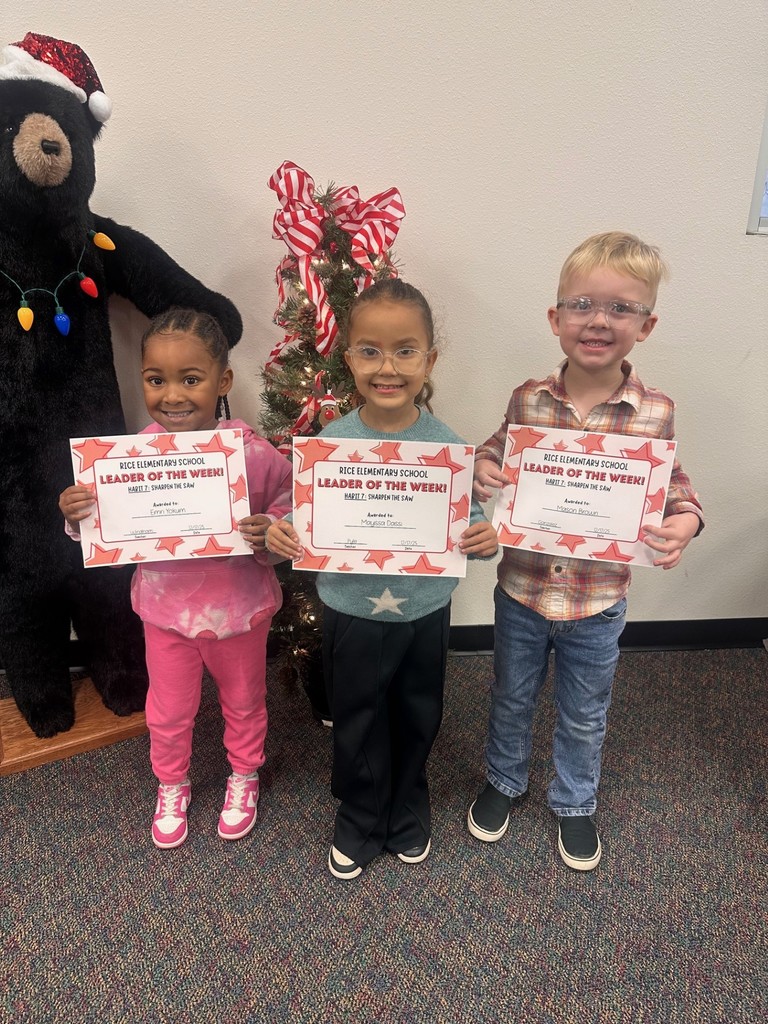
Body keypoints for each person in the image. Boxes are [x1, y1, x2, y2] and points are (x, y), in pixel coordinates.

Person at [467, 232, 704, 871]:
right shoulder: (528, 399)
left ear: (646, 325)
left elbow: (676, 489)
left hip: (599, 601)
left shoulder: (655, 413)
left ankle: (575, 801)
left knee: (583, 712)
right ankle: (505, 779)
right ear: (556, 318)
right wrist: (487, 469)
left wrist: (686, 522)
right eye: (582, 305)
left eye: (621, 309)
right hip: (522, 590)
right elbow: (492, 452)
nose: (599, 321)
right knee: (511, 696)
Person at [267, 279, 499, 879]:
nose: (387, 367)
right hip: (351, 607)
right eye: (369, 350)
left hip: (423, 609)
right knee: (359, 713)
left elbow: (467, 519)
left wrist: (481, 536)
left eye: (405, 350)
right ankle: (361, 811)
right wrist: (282, 532)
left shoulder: (445, 446)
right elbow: (303, 514)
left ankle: (407, 802)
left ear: (429, 360)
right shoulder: (331, 443)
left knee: (418, 711)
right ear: (348, 358)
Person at [60, 308, 291, 849]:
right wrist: (77, 517)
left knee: (244, 701)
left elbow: (288, 503)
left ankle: (244, 774)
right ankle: (171, 782)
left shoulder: (252, 455)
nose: (173, 395)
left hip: (240, 610)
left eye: (191, 379)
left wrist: (272, 527)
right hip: (166, 615)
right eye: (156, 380)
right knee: (168, 709)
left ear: (223, 381)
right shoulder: (130, 458)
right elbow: (103, 530)